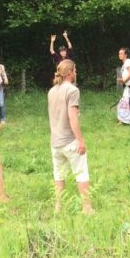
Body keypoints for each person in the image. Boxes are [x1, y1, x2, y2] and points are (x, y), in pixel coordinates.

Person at [47, 59, 94, 215]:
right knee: (82, 173)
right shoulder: (73, 90)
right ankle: (87, 208)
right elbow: (72, 118)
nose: (76, 73)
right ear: (69, 73)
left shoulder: (51, 91)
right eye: (74, 70)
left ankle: (58, 207)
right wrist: (80, 141)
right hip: (69, 141)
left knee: (58, 175)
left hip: (55, 142)